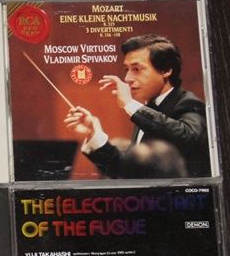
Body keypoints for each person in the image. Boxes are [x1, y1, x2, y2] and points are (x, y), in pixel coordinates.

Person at [64, 34, 210, 178]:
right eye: (126, 70)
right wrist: (93, 134)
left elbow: (189, 137)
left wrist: (130, 104)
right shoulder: (144, 111)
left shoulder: (188, 102)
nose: (127, 78)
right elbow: (128, 171)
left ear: (166, 70)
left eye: (137, 69)